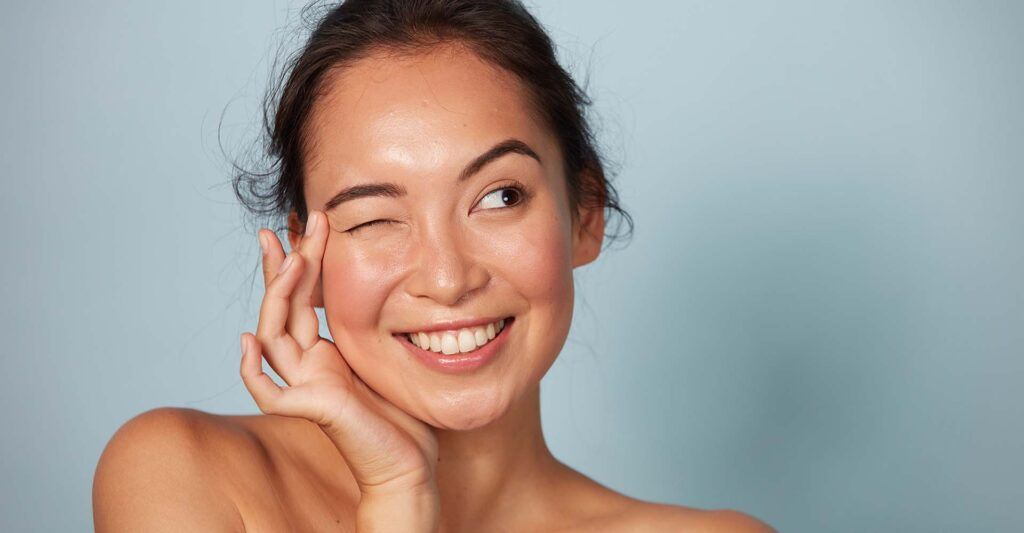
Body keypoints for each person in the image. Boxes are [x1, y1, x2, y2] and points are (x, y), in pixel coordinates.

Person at [93, 1, 775, 531]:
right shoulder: (186, 475)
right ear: (308, 257)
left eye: (498, 197)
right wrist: (397, 497)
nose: (448, 278)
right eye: (374, 218)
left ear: (584, 213)